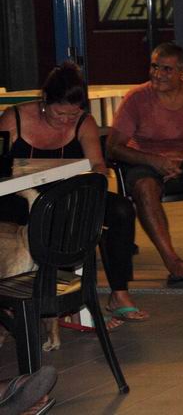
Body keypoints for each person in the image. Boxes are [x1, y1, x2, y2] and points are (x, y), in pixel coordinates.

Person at [0, 62, 146, 323]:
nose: (66, 120)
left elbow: (98, 166)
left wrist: (90, 181)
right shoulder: (15, 118)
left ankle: (119, 292)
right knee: (24, 212)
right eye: (59, 113)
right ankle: (21, 294)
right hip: (21, 194)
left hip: (67, 194)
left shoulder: (84, 123)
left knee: (121, 209)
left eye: (73, 114)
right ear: (45, 100)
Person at [106, 42, 183, 285]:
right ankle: (173, 262)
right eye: (154, 67)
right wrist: (155, 161)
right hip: (145, 161)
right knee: (145, 187)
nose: (157, 74)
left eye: (166, 69)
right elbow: (113, 147)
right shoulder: (136, 98)